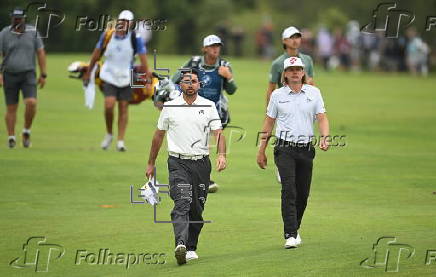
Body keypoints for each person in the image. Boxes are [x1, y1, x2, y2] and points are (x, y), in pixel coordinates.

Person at [145, 69, 227, 265]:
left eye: (194, 81)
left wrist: (222, 154)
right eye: (186, 81)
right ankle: (180, 244)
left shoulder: (208, 106)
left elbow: (218, 132)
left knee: (197, 209)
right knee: (182, 202)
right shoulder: (170, 106)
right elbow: (158, 135)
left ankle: (191, 246)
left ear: (199, 85)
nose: (190, 84)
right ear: (180, 85)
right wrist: (151, 162)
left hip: (201, 164)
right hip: (177, 162)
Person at [257, 57, 330, 249]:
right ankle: (289, 234)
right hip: (284, 148)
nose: (295, 72)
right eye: (291, 70)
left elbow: (322, 118)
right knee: (289, 190)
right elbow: (268, 122)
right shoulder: (277, 95)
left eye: (299, 69)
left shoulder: (314, 93)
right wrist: (261, 150)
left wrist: (325, 136)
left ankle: (295, 228)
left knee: (302, 194)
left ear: (303, 72)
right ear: (285, 74)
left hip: (306, 149)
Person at [171, 34, 237, 193]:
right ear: (204, 49)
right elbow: (175, 80)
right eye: (212, 46)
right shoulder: (194, 63)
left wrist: (229, 77)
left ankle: (202, 179)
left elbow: (232, 90)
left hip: (216, 110)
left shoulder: (224, 65)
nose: (216, 49)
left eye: (218, 46)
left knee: (204, 145)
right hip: (194, 110)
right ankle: (201, 179)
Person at [83, 10, 151, 152]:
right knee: (109, 105)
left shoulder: (135, 37)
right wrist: (88, 72)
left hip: (126, 76)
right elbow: (96, 55)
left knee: (123, 107)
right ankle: (109, 134)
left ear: (131, 23)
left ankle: (120, 141)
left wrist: (148, 79)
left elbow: (144, 59)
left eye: (127, 21)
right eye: (122, 20)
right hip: (109, 75)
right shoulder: (108, 35)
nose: (124, 23)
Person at [0, 7, 47, 148]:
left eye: (19, 18)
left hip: (28, 74)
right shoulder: (4, 33)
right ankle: (11, 137)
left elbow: (40, 52)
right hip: (9, 73)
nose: (17, 21)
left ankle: (26, 131)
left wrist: (43, 73)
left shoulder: (33, 32)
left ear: (24, 19)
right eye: (15, 18)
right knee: (11, 108)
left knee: (31, 103)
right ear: (12, 18)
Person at [266, 26, 314, 105]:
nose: (295, 40)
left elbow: (312, 84)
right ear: (284, 41)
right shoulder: (277, 63)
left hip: (305, 104)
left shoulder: (307, 59)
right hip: (285, 104)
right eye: (291, 37)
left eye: (297, 37)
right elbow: (271, 89)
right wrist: (269, 112)